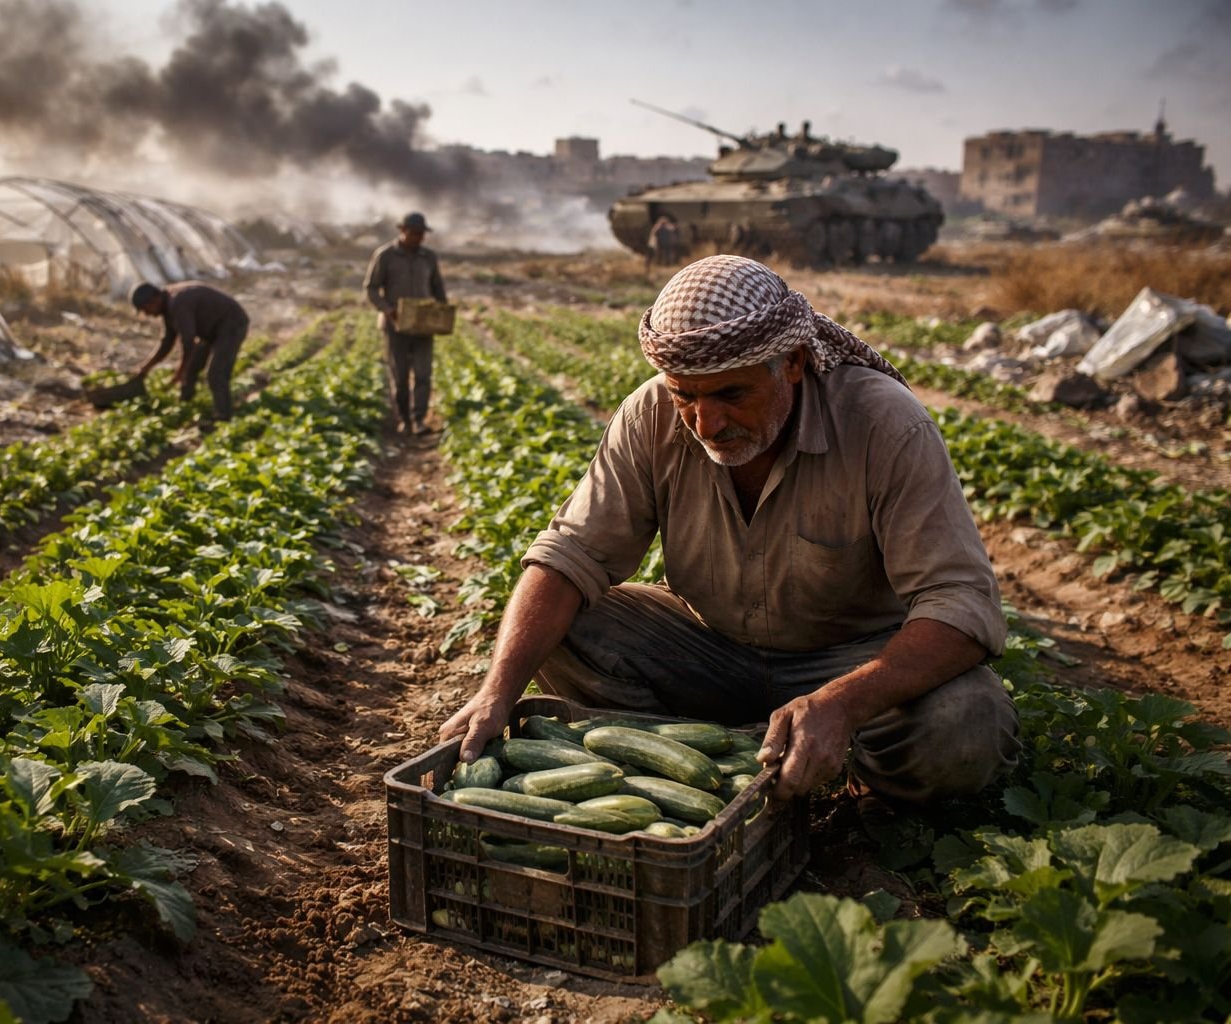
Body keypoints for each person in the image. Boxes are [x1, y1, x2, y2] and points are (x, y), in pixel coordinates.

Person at [440, 255, 1020, 810]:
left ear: (792, 362)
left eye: (731, 394)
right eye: (685, 396)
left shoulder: (884, 425)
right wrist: (498, 691)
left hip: (847, 661)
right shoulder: (651, 417)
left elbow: (959, 602)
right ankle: (710, 756)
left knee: (965, 722)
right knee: (561, 625)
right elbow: (572, 553)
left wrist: (844, 702)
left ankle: (855, 775)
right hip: (708, 649)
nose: (705, 423)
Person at [363, 211, 448, 434]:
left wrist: (442, 312)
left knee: (422, 374)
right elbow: (371, 288)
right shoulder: (385, 255)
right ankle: (404, 420)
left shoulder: (428, 257)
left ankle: (419, 419)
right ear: (402, 231)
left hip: (422, 325)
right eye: (414, 233)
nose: (419, 238)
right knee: (400, 377)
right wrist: (388, 310)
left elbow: (438, 288)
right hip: (395, 326)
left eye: (422, 234)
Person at [131, 280, 249, 423]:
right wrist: (146, 367)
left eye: (145, 309)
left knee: (216, 374)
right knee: (191, 367)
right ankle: (185, 404)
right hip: (212, 329)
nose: (147, 314)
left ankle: (223, 418)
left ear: (154, 300)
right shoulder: (168, 307)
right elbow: (167, 342)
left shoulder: (178, 303)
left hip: (232, 325)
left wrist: (181, 370)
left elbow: (188, 342)